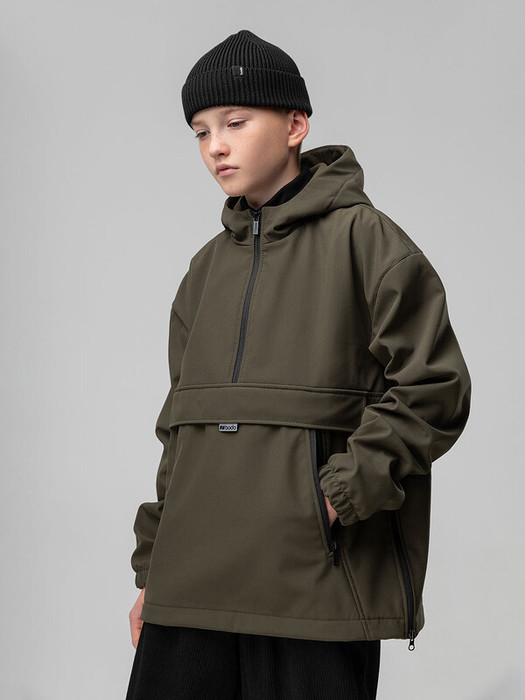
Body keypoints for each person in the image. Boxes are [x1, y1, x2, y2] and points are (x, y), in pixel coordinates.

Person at [125, 29, 472, 700]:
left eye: (234, 122)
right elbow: (181, 432)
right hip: (190, 588)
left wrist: (337, 496)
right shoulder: (204, 271)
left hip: (315, 589)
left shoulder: (367, 242)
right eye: (200, 131)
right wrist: (154, 572)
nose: (215, 146)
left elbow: (434, 388)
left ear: (294, 125)